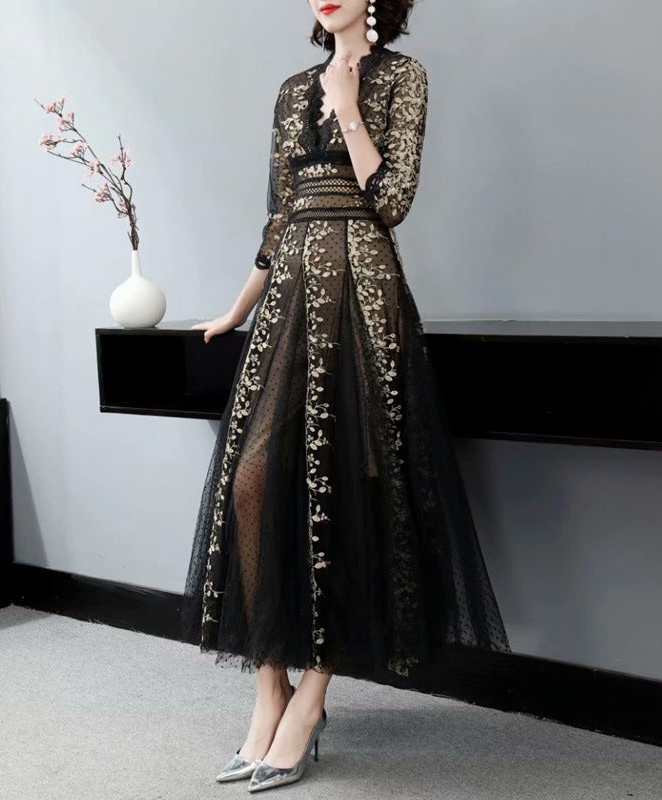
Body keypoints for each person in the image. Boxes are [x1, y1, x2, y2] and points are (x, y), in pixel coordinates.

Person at [182, 0, 511, 791]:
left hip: (364, 294)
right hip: (289, 297)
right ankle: (270, 689)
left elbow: (391, 199)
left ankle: (313, 698)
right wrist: (237, 309)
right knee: (251, 480)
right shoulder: (292, 88)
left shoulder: (404, 77)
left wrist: (351, 109)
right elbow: (278, 216)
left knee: (355, 485)